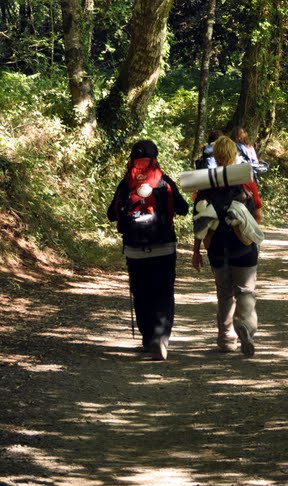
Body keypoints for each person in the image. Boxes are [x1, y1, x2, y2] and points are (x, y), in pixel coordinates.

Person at [107, 139, 189, 361]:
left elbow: (111, 214)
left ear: (132, 159)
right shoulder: (163, 181)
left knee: (141, 294)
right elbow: (183, 208)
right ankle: (160, 339)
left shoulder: (126, 184)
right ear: (155, 157)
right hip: (164, 247)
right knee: (163, 293)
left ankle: (147, 341)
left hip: (135, 250)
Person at [192, 134, 263, 356]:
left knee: (224, 294)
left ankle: (225, 340)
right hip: (243, 247)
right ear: (235, 154)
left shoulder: (204, 183)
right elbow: (258, 214)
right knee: (246, 292)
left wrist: (196, 251)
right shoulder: (245, 178)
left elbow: (198, 219)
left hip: (216, 248)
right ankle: (247, 330)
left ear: (214, 156)